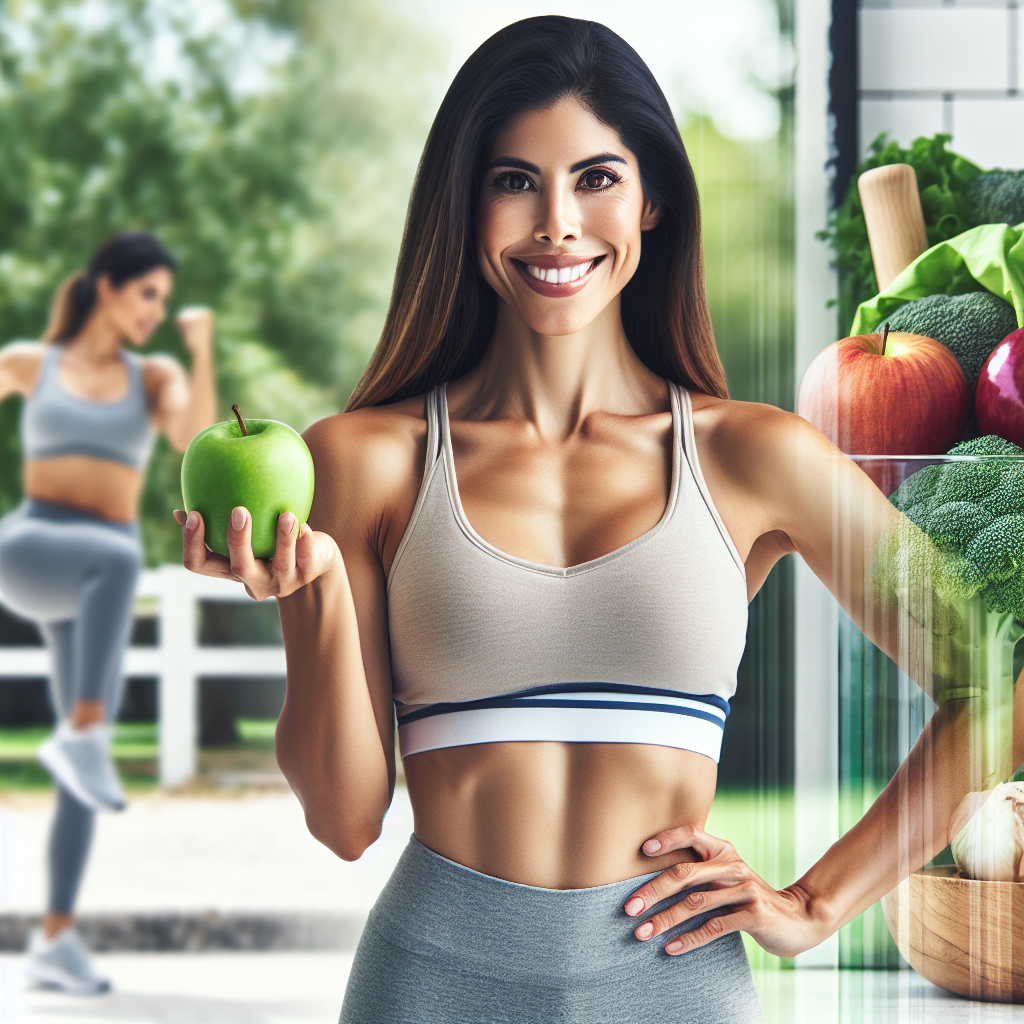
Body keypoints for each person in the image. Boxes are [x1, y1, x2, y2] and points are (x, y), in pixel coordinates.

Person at [176, 18, 992, 1023]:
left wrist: (816, 904)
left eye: (596, 178)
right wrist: (313, 595)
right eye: (514, 181)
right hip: (428, 982)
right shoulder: (364, 458)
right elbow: (344, 822)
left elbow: (994, 682)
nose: (557, 223)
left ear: (652, 200)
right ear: (464, 205)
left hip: (675, 987)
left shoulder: (755, 456)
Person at [0, 232, 216, 994]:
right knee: (121, 558)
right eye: (147, 294)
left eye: (164, 299)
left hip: (97, 590)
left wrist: (201, 350)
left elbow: (193, 441)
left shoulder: (154, 375)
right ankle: (88, 729)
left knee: (78, 780)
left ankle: (55, 937)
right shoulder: (30, 364)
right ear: (106, 287)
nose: (156, 310)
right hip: (33, 547)